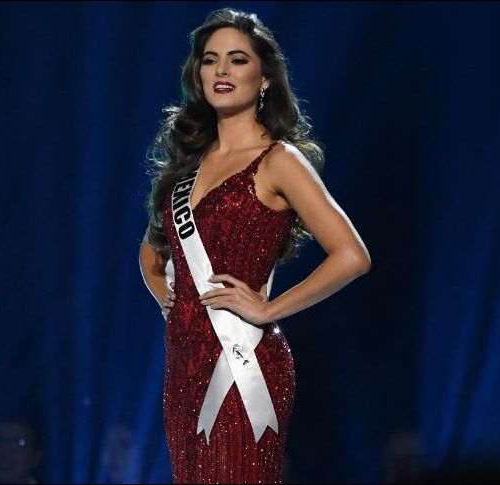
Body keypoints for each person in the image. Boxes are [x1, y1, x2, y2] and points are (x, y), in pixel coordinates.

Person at [138, 8, 371, 484]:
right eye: (210, 60)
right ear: (198, 74)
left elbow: (352, 255)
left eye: (238, 59)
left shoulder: (278, 160)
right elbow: (150, 254)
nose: (222, 70)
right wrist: (170, 302)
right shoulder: (185, 169)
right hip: (183, 366)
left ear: (264, 78)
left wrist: (268, 310)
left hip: (242, 363)